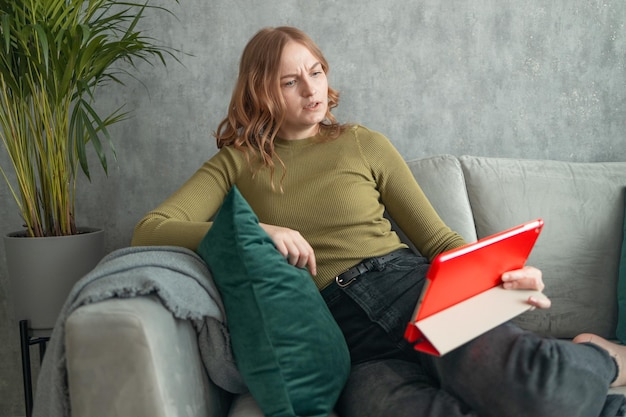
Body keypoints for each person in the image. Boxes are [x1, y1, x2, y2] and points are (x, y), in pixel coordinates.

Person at [131, 26, 626, 417]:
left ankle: (604, 358)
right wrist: (258, 230)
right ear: (261, 91)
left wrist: (496, 275)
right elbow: (152, 228)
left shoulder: (362, 143)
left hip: (413, 290)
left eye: (317, 71)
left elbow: (439, 240)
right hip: (353, 345)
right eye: (290, 80)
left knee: (524, 385)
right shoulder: (235, 164)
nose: (311, 89)